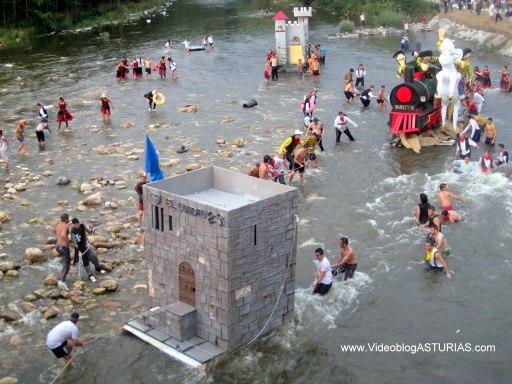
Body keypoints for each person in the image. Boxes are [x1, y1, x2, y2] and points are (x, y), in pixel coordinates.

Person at [70, 218, 106, 282]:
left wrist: (93, 230)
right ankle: (90, 275)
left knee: (93, 256)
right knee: (85, 262)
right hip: (80, 249)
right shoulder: (72, 232)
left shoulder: (83, 226)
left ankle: (98, 268)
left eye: (77, 224)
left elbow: (90, 231)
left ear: (79, 223)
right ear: (73, 224)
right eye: (74, 225)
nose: (76, 226)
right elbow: (74, 242)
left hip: (86, 246)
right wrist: (78, 249)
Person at [53, 213, 71, 290]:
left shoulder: (58, 224)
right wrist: (67, 242)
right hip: (63, 247)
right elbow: (64, 234)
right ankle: (62, 281)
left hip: (57, 247)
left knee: (64, 261)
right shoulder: (66, 225)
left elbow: (53, 230)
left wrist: (59, 236)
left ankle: (61, 276)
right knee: (67, 265)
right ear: (66, 219)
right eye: (68, 218)